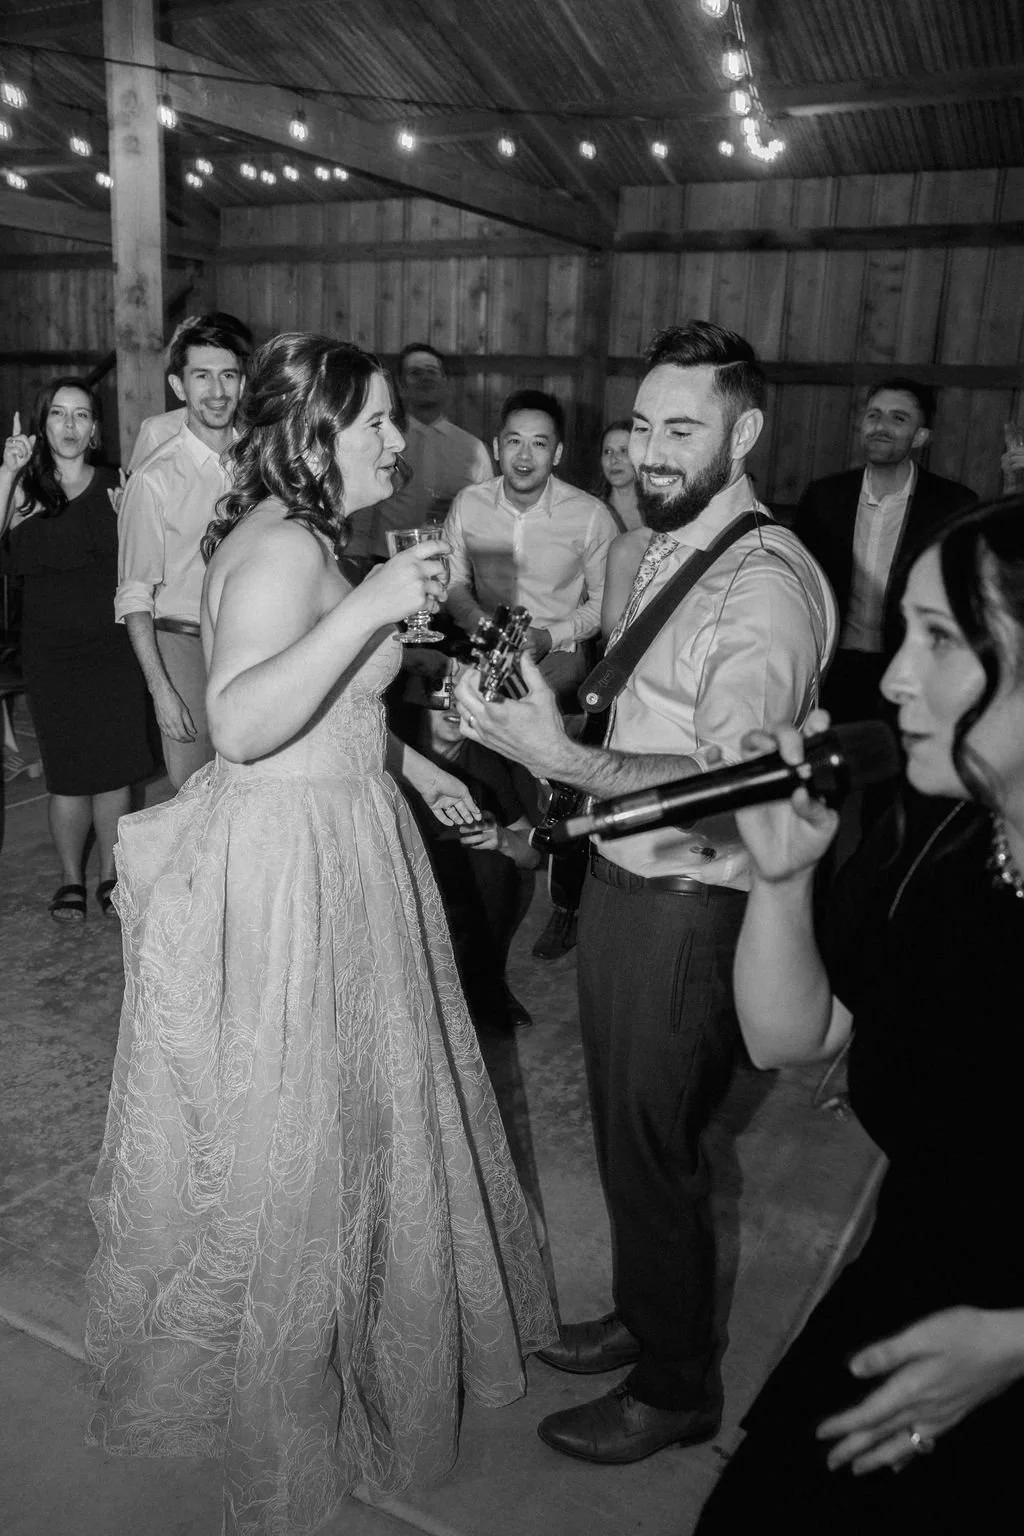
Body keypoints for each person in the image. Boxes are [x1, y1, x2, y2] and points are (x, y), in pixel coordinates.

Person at [85, 333, 556, 1536]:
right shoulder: (287, 546)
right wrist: (381, 611)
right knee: (304, 1125)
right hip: (295, 868)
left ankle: (352, 1339)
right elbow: (239, 721)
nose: (397, 441)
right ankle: (298, 1390)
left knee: (355, 1114)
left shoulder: (314, 541)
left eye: (395, 420)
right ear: (311, 437)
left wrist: (403, 764)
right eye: (376, 423)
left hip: (345, 830)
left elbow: (313, 701)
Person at [455, 321, 838, 1465]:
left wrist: (567, 764)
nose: (655, 453)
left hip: (689, 904)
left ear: (745, 431)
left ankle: (676, 1386)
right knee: (630, 1139)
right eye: (647, 427)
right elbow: (644, 708)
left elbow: (740, 785)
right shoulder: (677, 537)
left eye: (685, 430)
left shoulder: (764, 584)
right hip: (629, 878)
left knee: (655, 1144)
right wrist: (546, 717)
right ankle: (645, 1313)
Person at [695, 493, 1024, 1535]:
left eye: (938, 638)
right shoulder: (948, 840)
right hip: (909, 1291)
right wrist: (782, 881)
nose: (890, 676)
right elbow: (795, 1040)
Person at [0, 384, 152, 920]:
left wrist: (131, 516)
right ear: (44, 426)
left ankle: (111, 875)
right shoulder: (23, 490)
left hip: (113, 649)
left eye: (81, 415)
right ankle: (70, 878)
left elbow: (147, 561)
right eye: (58, 415)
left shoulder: (120, 485)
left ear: (96, 429)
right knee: (66, 775)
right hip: (51, 653)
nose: (69, 425)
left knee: (113, 771)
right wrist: (6, 471)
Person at [115, 313, 251, 789]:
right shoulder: (154, 477)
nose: (217, 391)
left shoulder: (261, 466)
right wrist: (162, 690)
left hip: (252, 642)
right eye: (202, 376)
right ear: (178, 385)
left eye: (228, 375)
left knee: (257, 788)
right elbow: (134, 595)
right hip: (184, 644)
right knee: (197, 794)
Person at [794, 378, 975, 726]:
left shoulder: (953, 504)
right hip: (833, 665)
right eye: (874, 415)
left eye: (898, 419)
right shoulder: (824, 497)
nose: (881, 427)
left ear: (921, 437)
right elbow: (799, 581)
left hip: (909, 666)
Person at [443, 388, 618, 704]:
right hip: (483, 655)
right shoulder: (468, 504)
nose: (524, 456)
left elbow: (606, 601)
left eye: (539, 443)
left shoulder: (590, 515)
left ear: (557, 454)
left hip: (558, 661)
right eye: (514, 441)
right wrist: (478, 624)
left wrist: (549, 638)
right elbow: (452, 581)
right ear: (497, 447)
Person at [396, 690, 540, 1031]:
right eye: (443, 693)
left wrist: (503, 839)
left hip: (457, 881)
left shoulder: (486, 763)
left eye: (466, 697)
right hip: (398, 871)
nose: (454, 706)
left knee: (495, 863)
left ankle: (485, 983)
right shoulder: (395, 747)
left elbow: (533, 855)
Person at [345, 342, 492, 558]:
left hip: (453, 567)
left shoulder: (473, 448)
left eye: (432, 371)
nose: (425, 378)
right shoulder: (383, 442)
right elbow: (362, 511)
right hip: (384, 564)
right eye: (415, 373)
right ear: (402, 387)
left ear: (445, 383)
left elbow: (488, 514)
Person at [126, 312, 255, 473]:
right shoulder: (159, 430)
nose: (218, 388)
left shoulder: (258, 431)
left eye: (242, 357)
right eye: (203, 373)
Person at [595, 419, 651, 640]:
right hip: (597, 631)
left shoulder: (660, 516)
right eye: (607, 451)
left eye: (623, 451)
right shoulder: (590, 510)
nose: (613, 459)